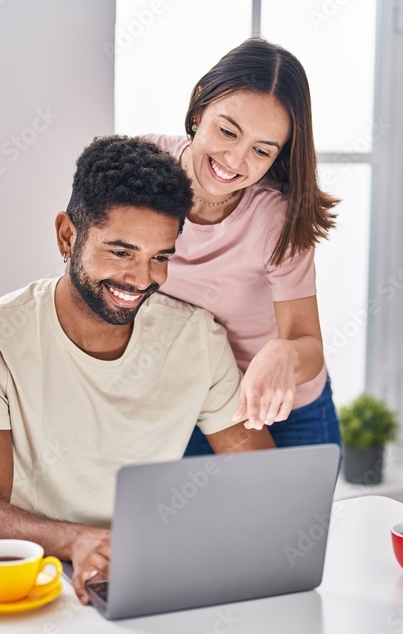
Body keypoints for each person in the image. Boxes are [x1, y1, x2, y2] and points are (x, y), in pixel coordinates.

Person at [0, 135, 274, 604]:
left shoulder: (197, 340)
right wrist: (78, 541)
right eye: (121, 252)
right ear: (67, 235)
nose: (142, 279)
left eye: (160, 257)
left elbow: (263, 481)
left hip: (133, 586)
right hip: (22, 588)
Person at [148, 37, 342, 456]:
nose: (235, 160)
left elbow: (308, 344)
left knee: (291, 523)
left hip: (283, 409)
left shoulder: (275, 217)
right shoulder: (142, 169)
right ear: (200, 105)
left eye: (261, 150)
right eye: (227, 130)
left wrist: (284, 355)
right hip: (186, 402)